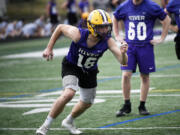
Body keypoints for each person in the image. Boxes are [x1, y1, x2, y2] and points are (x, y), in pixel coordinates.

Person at [36, 9, 128, 135]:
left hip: (89, 71)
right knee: (69, 93)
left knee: (87, 102)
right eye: (101, 27)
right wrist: (49, 48)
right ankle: (45, 126)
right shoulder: (78, 34)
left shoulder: (108, 41)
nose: (105, 30)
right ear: (91, 26)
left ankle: (69, 121)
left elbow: (123, 62)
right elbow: (60, 27)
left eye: (107, 27)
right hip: (72, 66)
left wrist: (123, 53)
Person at [113, 0, 170, 117]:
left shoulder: (152, 6)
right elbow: (115, 17)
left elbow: (167, 19)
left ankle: (142, 105)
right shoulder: (124, 6)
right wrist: (117, 35)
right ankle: (126, 104)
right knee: (125, 75)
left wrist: (162, 38)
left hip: (146, 47)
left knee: (144, 76)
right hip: (129, 47)